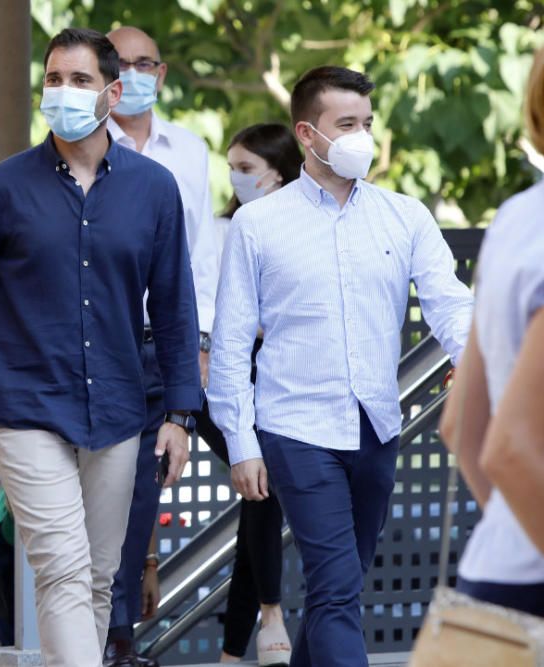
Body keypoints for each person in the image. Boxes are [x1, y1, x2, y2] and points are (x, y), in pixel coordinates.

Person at [0, 28, 202, 667]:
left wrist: (178, 415)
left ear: (113, 93)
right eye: (53, 79)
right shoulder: (0, 189)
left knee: (97, 578)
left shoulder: (153, 189)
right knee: (61, 569)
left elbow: (173, 307)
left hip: (119, 411)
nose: (63, 91)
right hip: (25, 408)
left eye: (80, 80)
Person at [208, 65, 474, 667]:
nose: (363, 137)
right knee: (334, 588)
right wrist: (242, 442)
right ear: (307, 133)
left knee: (340, 589)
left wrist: (489, 371)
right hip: (295, 429)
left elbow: (452, 307)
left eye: (367, 123)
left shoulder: (404, 216)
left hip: (377, 427)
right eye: (346, 124)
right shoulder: (257, 224)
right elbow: (227, 345)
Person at [102, 25, 217, 667]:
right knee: (106, 497)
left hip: (167, 344)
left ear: (162, 73)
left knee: (143, 493)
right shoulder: (87, 145)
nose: (135, 74)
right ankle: (106, 638)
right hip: (106, 348)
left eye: (146, 63)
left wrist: (195, 347)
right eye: (122, 63)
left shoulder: (191, 150)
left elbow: (198, 259)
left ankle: (121, 642)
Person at [438, 45, 544, 616]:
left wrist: (516, 526)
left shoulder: (516, 220)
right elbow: (509, 448)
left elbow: (463, 428)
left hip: (497, 576)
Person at [191, 123, 302, 666]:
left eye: (246, 168)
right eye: (232, 167)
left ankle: (234, 651)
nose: (235, 178)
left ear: (278, 172)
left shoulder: (306, 225)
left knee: (260, 493)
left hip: (285, 373)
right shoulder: (218, 231)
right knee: (262, 485)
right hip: (224, 374)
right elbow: (206, 305)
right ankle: (272, 615)